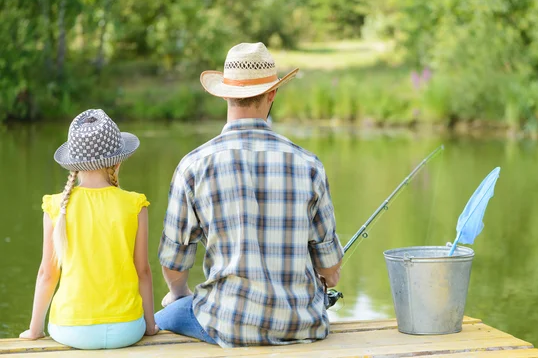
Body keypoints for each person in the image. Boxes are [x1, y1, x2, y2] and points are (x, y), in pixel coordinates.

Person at [156, 42, 344, 347]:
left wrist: (179, 293)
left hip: (225, 325)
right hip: (302, 325)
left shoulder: (193, 166)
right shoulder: (309, 165)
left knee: (163, 317)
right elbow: (330, 270)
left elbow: (174, 263)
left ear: (225, 94)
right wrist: (324, 280)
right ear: (272, 94)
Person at [19, 109, 158, 349]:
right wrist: (149, 325)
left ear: (73, 164)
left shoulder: (56, 206)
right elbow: (143, 271)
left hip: (70, 329)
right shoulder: (135, 205)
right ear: (117, 161)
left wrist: (34, 330)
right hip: (126, 329)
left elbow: (47, 274)